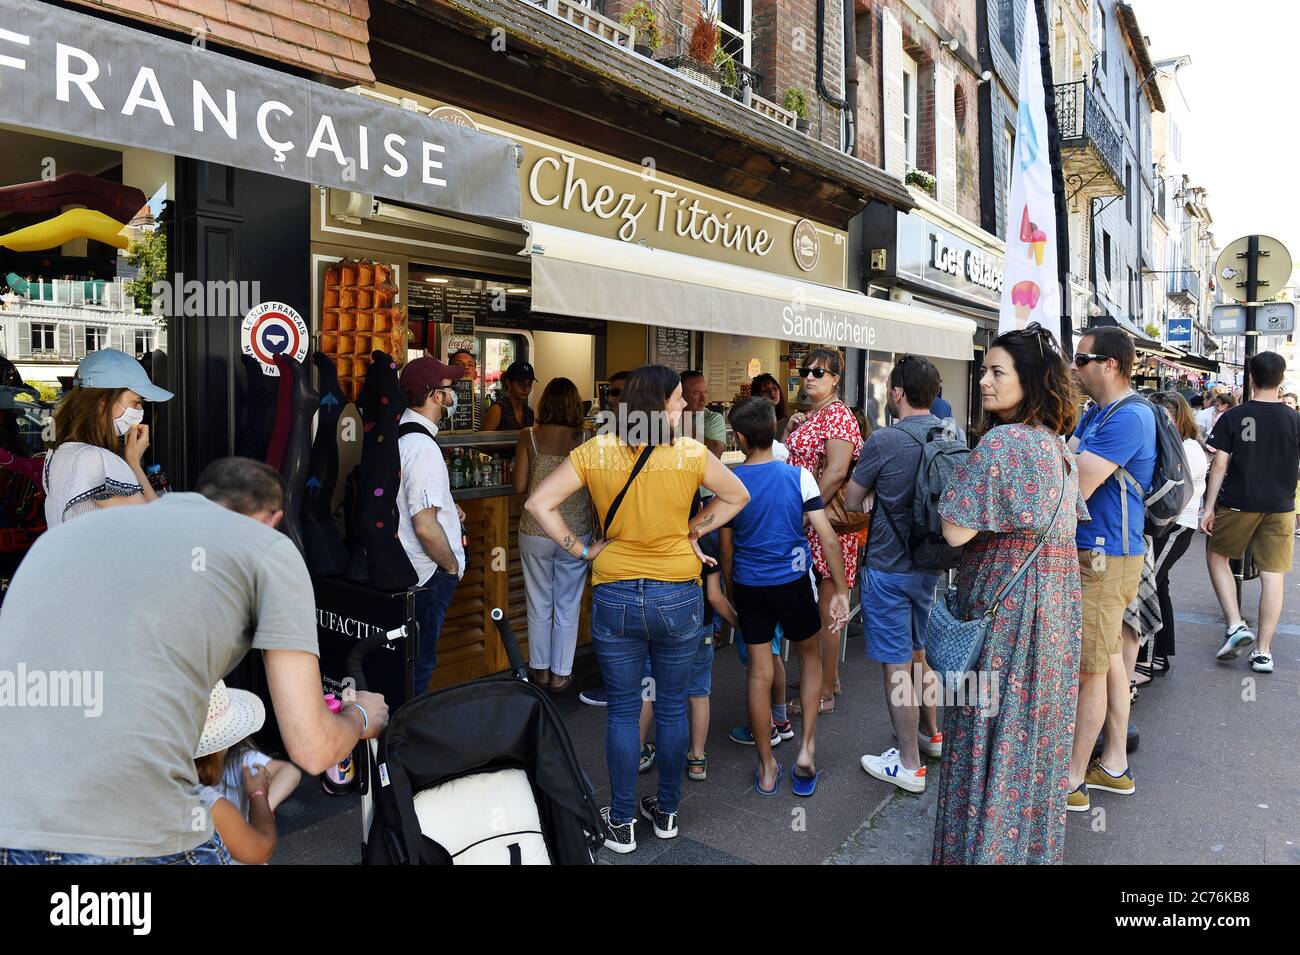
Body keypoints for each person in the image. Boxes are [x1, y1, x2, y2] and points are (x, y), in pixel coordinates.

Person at [0, 457, 387, 864]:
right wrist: (362, 715)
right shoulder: (269, 551)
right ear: (271, 520)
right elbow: (312, 748)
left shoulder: (77, 540)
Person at [524, 364, 749, 854]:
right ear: (656, 405)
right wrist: (692, 531)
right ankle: (667, 813)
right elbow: (738, 496)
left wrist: (581, 550)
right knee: (671, 707)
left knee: (624, 710)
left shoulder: (597, 450)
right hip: (677, 592)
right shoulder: (689, 453)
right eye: (675, 400)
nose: (683, 407)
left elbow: (540, 502)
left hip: (616, 590)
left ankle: (622, 823)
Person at [933, 324, 1086, 864]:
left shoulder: (1002, 443)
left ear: (1033, 380)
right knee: (1032, 744)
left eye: (999, 373)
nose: (985, 382)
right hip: (1056, 614)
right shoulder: (1058, 449)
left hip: (1007, 612)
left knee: (984, 736)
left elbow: (954, 529)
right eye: (985, 372)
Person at [723, 397, 849, 797]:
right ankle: (807, 749)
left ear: (740, 438)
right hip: (793, 582)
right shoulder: (799, 478)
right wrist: (842, 591)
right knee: (809, 659)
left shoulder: (730, 480)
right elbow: (826, 537)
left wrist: (730, 591)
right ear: (774, 432)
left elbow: (726, 549)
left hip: (749, 585)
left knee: (758, 674)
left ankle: (765, 766)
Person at [844, 355, 945, 794]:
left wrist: (870, 499)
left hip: (887, 566)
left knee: (896, 665)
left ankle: (908, 764)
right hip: (929, 565)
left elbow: (851, 499)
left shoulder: (885, 440)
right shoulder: (949, 436)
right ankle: (932, 735)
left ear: (898, 392)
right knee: (919, 653)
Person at [1066, 326, 1156, 812]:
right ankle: (1115, 765)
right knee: (1113, 662)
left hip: (1105, 554)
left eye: (1082, 359)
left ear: (1112, 365)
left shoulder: (1130, 416)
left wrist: (1069, 458)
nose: (1074, 367)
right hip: (1106, 550)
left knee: (1091, 670)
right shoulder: (1101, 411)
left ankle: (1074, 781)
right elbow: (1068, 459)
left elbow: (1076, 481)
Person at [1203, 351, 1300, 675]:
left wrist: (1207, 507)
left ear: (1251, 378)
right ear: (1281, 379)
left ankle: (1235, 623)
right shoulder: (1294, 420)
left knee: (1217, 556)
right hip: (1281, 505)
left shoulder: (1235, 416)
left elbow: (1219, 464)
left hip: (1238, 502)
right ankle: (1262, 652)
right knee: (1273, 577)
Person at [782, 347, 863, 714]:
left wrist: (804, 513)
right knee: (817, 607)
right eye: (806, 371)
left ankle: (826, 689)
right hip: (812, 521)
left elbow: (835, 471)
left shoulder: (838, 416)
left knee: (829, 607)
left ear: (835, 379)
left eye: (819, 372)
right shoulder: (817, 415)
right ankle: (825, 677)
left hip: (825, 524)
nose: (810, 377)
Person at [514, 377, 592, 693]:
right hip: (576, 531)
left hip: (535, 529)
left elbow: (520, 486)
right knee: (568, 603)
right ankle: (562, 673)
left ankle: (541, 671)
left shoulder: (528, 437)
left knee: (538, 601)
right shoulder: (588, 437)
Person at [397, 356, 468, 695]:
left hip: (410, 572)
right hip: (428, 576)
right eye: (451, 389)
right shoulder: (423, 447)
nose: (454, 397)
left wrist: (448, 512)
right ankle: (406, 742)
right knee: (419, 668)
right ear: (436, 396)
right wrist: (450, 566)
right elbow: (424, 526)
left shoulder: (401, 436)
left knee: (410, 665)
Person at [43, 347, 173, 528]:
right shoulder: (94, 458)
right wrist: (134, 463)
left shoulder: (57, 453)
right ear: (103, 400)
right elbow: (157, 526)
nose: (139, 412)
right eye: (137, 402)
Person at [194, 680, 302, 865]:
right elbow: (261, 850)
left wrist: (263, 804)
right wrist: (258, 797)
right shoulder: (202, 799)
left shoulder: (238, 761)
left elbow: (290, 772)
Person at [1142, 392, 1209, 677]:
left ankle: (1144, 660)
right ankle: (1160, 655)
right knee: (1161, 584)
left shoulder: (1189, 448)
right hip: (1169, 523)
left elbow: (1171, 488)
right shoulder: (1180, 445)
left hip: (1175, 524)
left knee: (1150, 588)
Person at [680, 370, 727, 458]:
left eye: (705, 392)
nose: (703, 398)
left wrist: (682, 423)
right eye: (696, 393)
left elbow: (715, 452)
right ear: (680, 394)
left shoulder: (712, 418)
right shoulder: (665, 416)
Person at [483, 360, 536, 432]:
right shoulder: (497, 410)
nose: (526, 389)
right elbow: (483, 441)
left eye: (529, 384)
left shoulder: (528, 412)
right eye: (520, 384)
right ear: (509, 383)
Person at [448, 348, 484, 432]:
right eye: (459, 364)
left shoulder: (480, 406)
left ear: (475, 374)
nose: (465, 367)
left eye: (470, 365)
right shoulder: (442, 401)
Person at [750, 372, 790, 440]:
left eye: (774, 388)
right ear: (757, 395)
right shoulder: (753, 422)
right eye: (766, 390)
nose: (772, 393)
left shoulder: (785, 420)